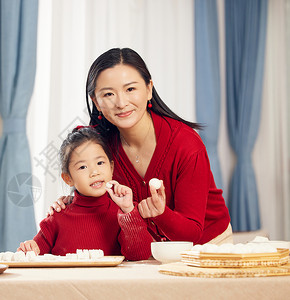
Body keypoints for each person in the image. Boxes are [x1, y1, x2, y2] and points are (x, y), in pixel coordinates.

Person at [50, 48, 232, 246]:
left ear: (148, 89)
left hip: (206, 246)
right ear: (96, 101)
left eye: (130, 89)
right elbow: (77, 157)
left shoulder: (186, 144)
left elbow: (191, 233)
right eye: (109, 94)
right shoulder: (99, 144)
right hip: (143, 248)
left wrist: (161, 214)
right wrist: (72, 201)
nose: (121, 103)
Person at [18, 126, 153, 260]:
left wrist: (128, 210)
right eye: (83, 167)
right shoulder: (57, 217)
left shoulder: (124, 213)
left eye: (100, 163)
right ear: (68, 178)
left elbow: (140, 255)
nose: (94, 172)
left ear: (111, 168)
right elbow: (33, 255)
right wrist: (29, 248)